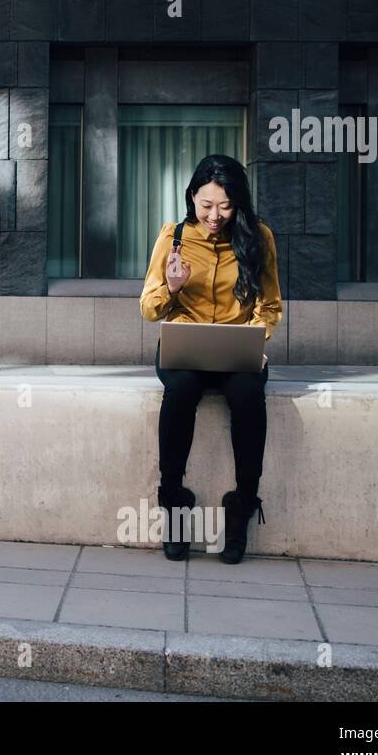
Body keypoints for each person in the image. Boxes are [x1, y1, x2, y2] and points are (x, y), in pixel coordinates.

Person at [139, 154, 282, 564]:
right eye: (206, 206)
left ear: (238, 202)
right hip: (187, 346)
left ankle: (242, 503)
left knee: (248, 392)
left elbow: (269, 304)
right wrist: (171, 285)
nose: (215, 216)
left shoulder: (259, 237)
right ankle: (174, 500)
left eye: (225, 206)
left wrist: (257, 337)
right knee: (180, 389)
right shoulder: (174, 237)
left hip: (238, 346)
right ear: (192, 199)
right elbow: (149, 309)